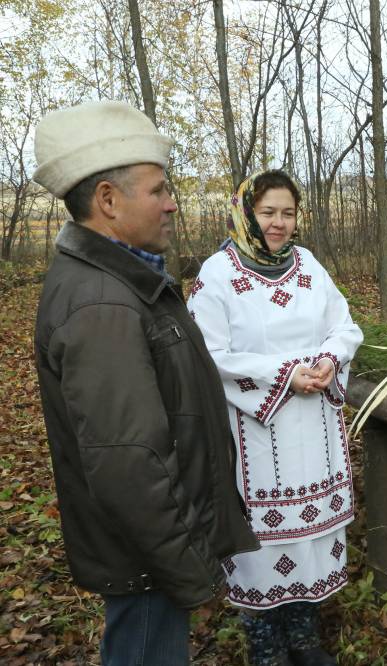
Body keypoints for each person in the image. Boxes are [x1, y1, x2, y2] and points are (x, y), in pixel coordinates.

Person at [32, 100, 260, 665]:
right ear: (108, 201)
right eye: (158, 190)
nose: (172, 203)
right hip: (148, 559)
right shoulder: (102, 303)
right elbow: (128, 460)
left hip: (152, 549)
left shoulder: (126, 281)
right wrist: (186, 567)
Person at [188, 170, 363, 666]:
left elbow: (343, 325)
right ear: (246, 213)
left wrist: (330, 358)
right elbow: (209, 354)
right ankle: (267, 651)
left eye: (288, 213)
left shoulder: (308, 265)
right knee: (263, 546)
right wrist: (285, 374)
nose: (279, 224)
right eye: (268, 213)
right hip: (257, 438)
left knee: (308, 539)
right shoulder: (217, 275)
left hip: (316, 436)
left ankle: (305, 642)